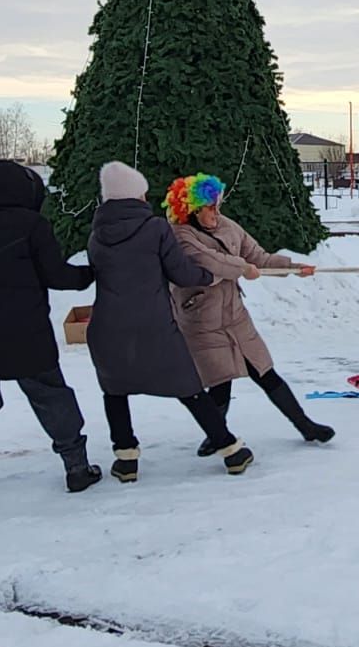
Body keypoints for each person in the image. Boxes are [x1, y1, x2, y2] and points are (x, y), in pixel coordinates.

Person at [73, 162, 253, 481]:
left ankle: (126, 460)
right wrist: (209, 276)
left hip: (107, 328)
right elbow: (181, 273)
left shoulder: (96, 234)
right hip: (153, 326)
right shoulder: (155, 228)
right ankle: (230, 450)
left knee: (114, 391)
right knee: (190, 388)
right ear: (135, 197)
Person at [0, 161, 102, 502]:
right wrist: (91, 274)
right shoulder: (33, 225)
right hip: (23, 332)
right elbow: (56, 276)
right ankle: (76, 468)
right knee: (50, 394)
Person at [165, 173, 333, 453]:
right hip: (202, 321)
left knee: (265, 371)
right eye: (210, 208)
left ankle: (305, 426)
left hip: (235, 316)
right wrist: (242, 269)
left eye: (218, 206)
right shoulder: (180, 235)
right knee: (220, 381)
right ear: (192, 211)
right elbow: (210, 261)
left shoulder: (228, 227)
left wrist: (291, 267)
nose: (216, 213)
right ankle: (218, 436)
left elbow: (259, 257)